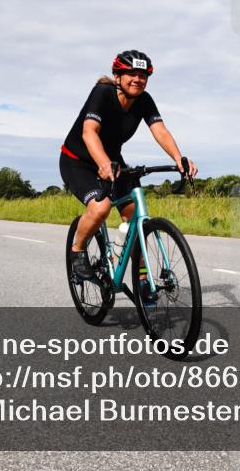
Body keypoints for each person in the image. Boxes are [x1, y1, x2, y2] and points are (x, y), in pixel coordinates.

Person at [60, 50, 197, 298]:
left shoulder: (144, 100)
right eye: (131, 74)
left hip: (113, 163)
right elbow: (89, 132)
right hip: (77, 161)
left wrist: (179, 159)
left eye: (143, 75)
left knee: (136, 218)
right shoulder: (103, 93)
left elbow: (160, 130)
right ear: (118, 76)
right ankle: (77, 251)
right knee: (101, 208)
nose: (137, 79)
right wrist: (102, 163)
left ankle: (142, 279)